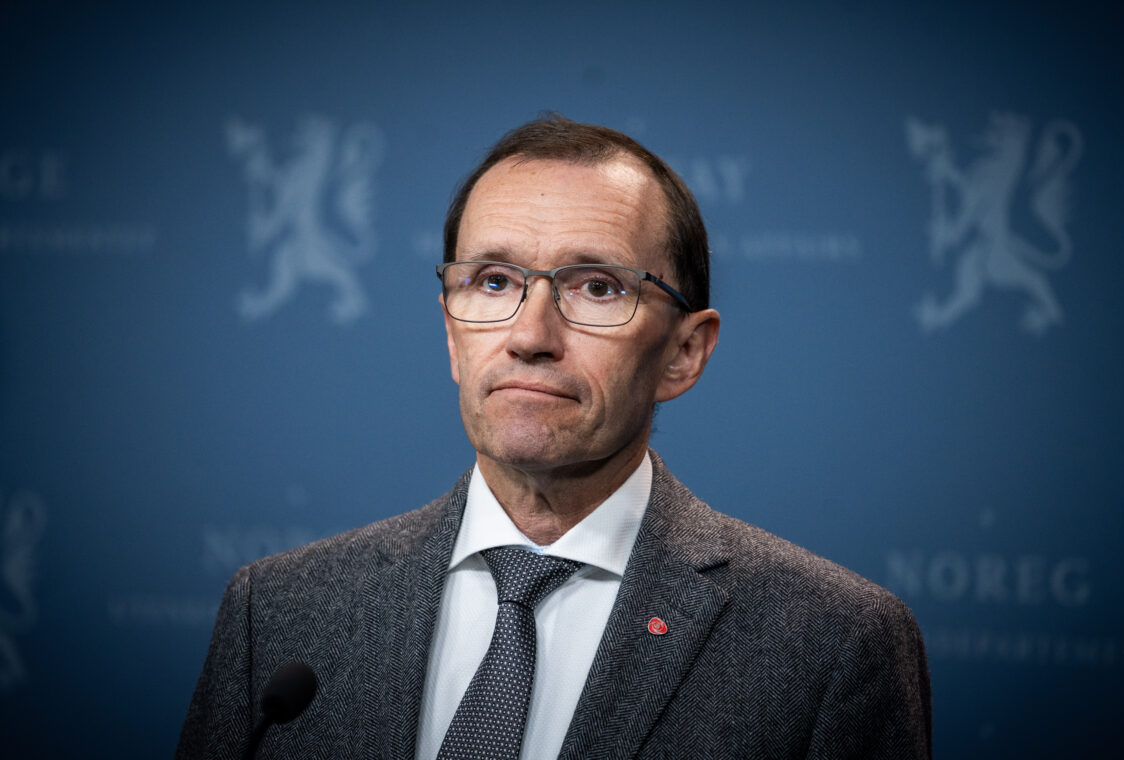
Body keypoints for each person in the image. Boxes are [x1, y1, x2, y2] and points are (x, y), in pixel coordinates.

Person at [176, 115, 932, 759]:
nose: (530, 336)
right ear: (451, 334)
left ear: (684, 352)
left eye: (597, 287)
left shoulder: (832, 644)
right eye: (493, 282)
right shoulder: (279, 611)